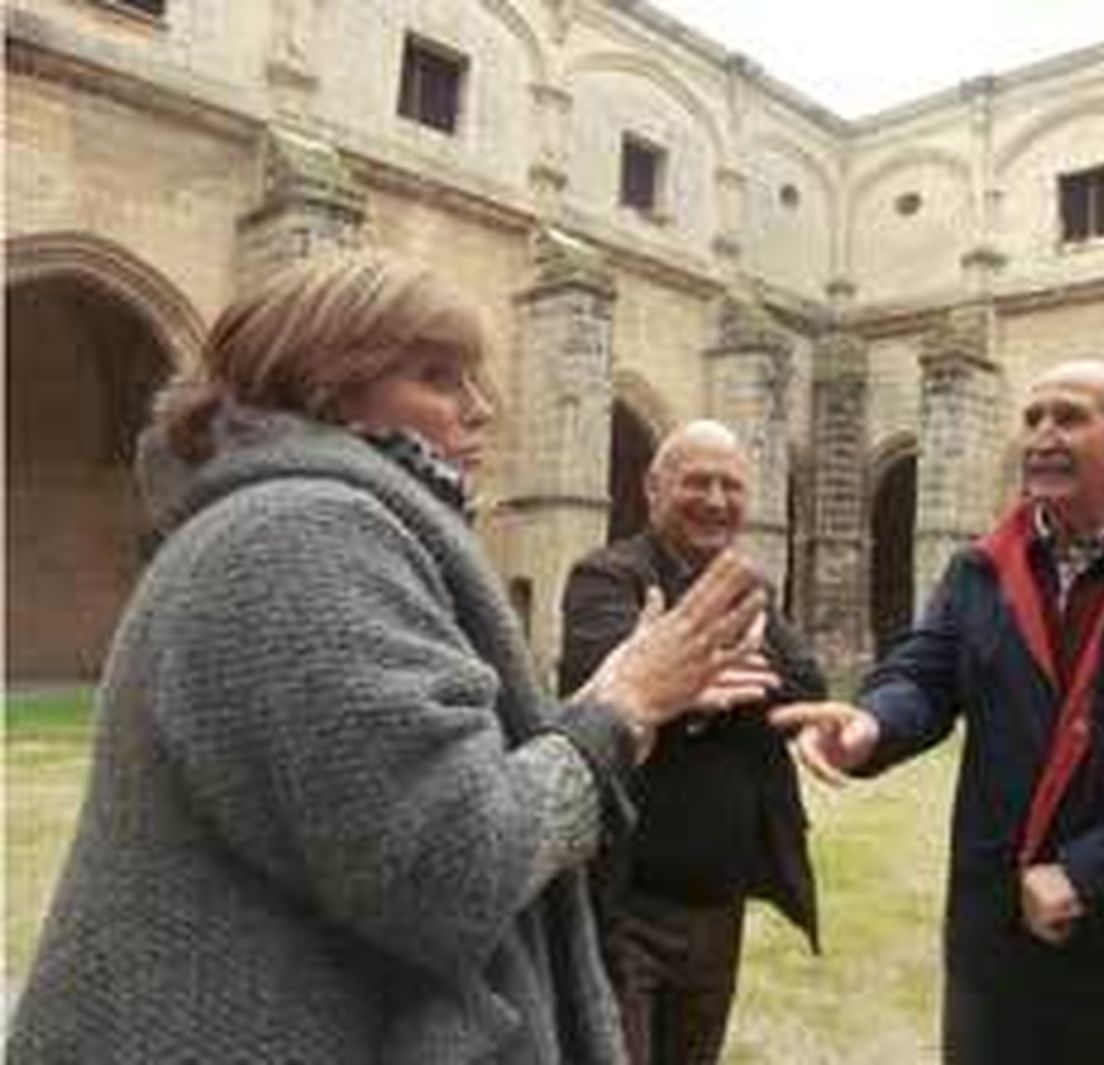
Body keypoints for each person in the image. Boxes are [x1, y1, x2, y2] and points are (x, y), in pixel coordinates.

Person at [7, 251, 776, 1064]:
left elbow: (398, 797)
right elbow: (449, 863)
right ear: (326, 386)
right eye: (439, 378)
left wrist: (607, 702)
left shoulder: (297, 521)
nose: (481, 408)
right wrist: (617, 714)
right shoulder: (304, 536)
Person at [774, 359, 1104, 1065]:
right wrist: (873, 724)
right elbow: (925, 675)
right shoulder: (981, 569)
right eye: (1033, 418)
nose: (1042, 435)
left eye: (1068, 417)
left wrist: (1091, 873)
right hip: (998, 953)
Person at [558, 420, 825, 1065]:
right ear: (654, 489)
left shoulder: (747, 586)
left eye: (731, 486)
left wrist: (681, 688)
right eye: (697, 482)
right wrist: (688, 688)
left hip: (716, 905)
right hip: (627, 904)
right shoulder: (607, 577)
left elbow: (805, 684)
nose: (715, 500)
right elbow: (606, 688)